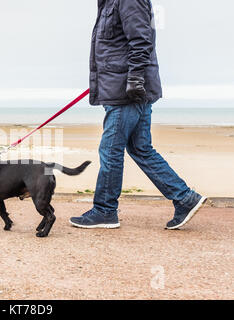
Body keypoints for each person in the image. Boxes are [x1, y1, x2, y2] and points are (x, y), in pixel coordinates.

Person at [70, 0, 206, 230]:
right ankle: (184, 198)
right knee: (140, 148)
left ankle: (105, 210)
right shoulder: (109, 3)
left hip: (127, 91)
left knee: (111, 149)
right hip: (122, 87)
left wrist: (135, 79)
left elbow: (142, 40)